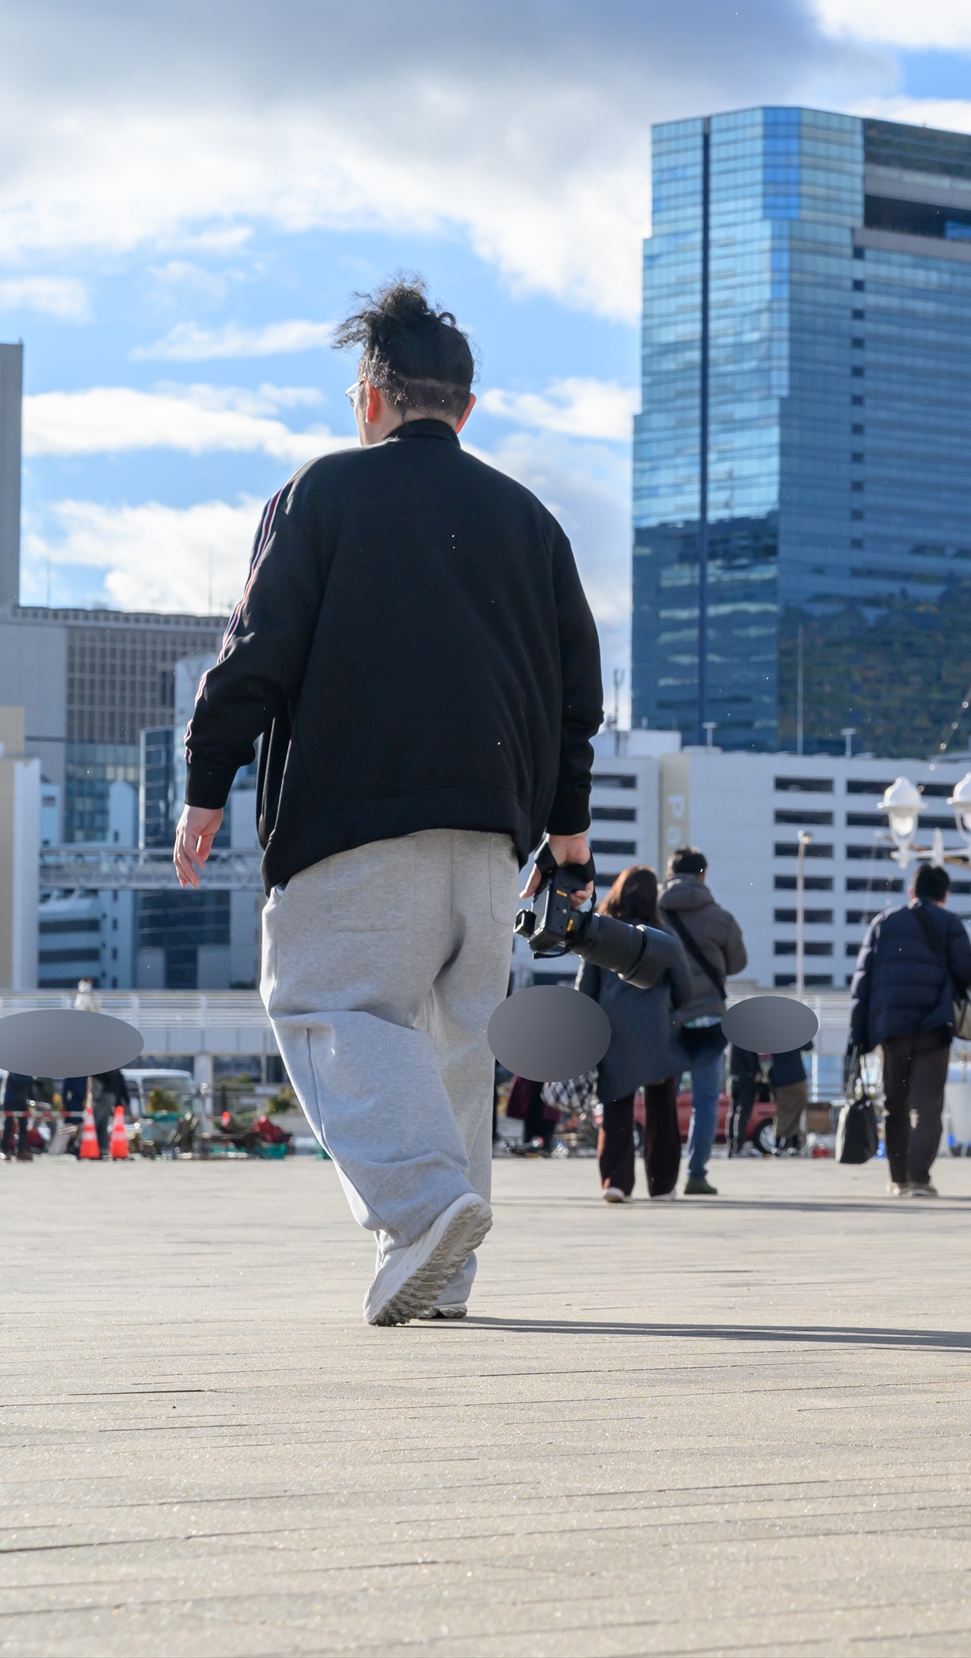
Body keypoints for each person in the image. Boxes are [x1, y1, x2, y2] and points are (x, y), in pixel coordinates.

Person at [177, 278, 600, 1326]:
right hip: (492, 843)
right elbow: (575, 693)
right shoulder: (531, 520)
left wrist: (204, 784)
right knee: (453, 1047)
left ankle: (420, 1210)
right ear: (465, 407)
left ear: (371, 396)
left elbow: (255, 654)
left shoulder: (322, 493)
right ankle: (441, 1276)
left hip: (356, 825)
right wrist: (569, 836)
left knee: (330, 1004)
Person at [847, 863, 971, 1199]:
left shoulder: (884, 923)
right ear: (944, 895)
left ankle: (899, 1179)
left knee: (895, 1104)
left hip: (892, 1028)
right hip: (934, 1025)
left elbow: (863, 981)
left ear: (912, 891)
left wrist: (857, 1033)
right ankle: (920, 1178)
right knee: (929, 1105)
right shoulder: (950, 923)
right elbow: (967, 973)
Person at [585, 866, 690, 1206]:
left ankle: (615, 1181)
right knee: (662, 1109)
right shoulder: (665, 937)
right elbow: (684, 989)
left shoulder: (601, 933)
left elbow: (585, 989)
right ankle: (661, 1185)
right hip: (658, 1033)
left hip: (612, 1032)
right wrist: (666, 1009)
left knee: (616, 1105)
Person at [655, 849, 747, 1193]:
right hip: (709, 1018)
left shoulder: (656, 913)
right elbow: (738, 963)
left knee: (665, 1099)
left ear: (669, 873)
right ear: (703, 875)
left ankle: (662, 1175)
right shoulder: (720, 918)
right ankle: (696, 1174)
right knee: (706, 1101)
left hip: (669, 1017)